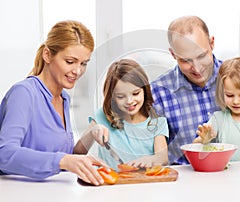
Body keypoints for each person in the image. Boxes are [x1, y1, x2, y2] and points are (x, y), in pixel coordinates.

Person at [150, 15, 240, 165]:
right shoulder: (158, 93)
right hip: (187, 180)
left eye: (201, 55)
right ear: (173, 54)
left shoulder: (237, 77)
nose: (197, 67)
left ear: (212, 43)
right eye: (186, 60)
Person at [0, 20, 108, 186]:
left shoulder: (64, 98)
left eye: (83, 63)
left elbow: (61, 156)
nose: (77, 71)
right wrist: (64, 160)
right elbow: (4, 153)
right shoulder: (24, 93)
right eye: (70, 62)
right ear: (47, 55)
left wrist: (91, 133)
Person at [74, 59, 169, 170]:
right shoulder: (102, 116)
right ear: (112, 97)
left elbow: (162, 157)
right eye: (120, 96)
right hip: (111, 185)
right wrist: (92, 132)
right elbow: (78, 153)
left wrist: (150, 160)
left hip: (145, 184)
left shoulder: (157, 122)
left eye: (135, 93)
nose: (129, 101)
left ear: (145, 90)